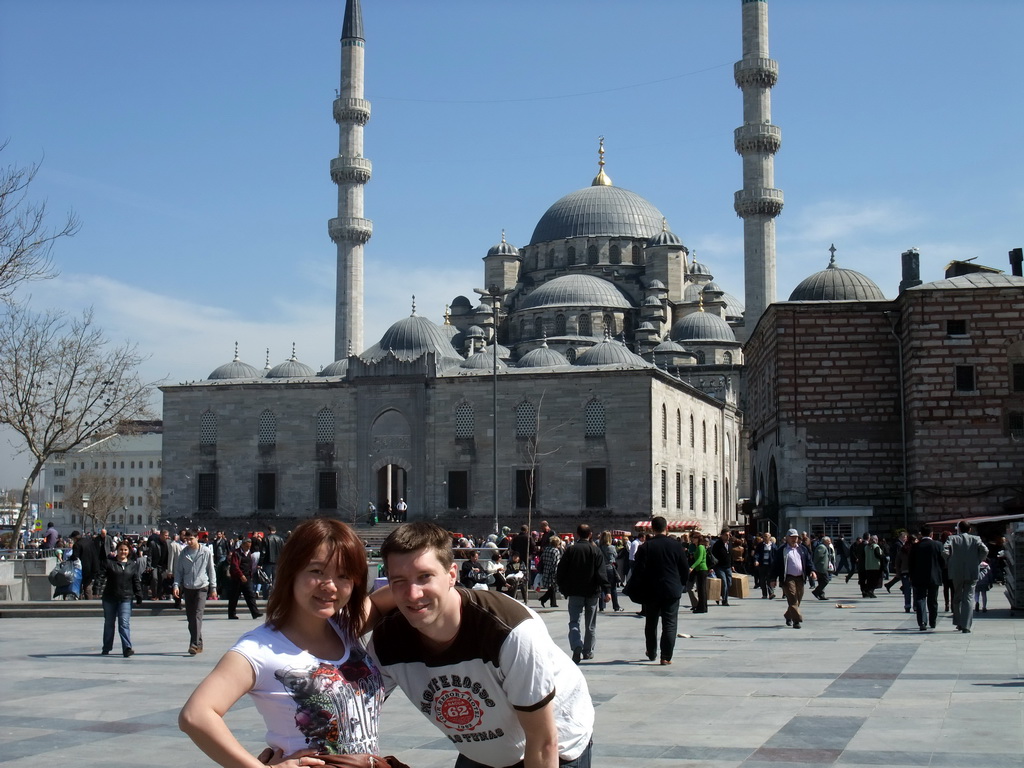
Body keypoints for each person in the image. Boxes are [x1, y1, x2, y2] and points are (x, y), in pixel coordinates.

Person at [370, 521, 595, 768]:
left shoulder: (508, 632)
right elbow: (350, 710)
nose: (413, 594)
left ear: (452, 575)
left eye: (425, 577)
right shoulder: (387, 640)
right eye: (399, 581)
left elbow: (543, 742)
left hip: (556, 745)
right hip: (483, 752)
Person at [179, 518, 397, 767]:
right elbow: (195, 715)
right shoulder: (259, 649)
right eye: (317, 571)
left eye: (343, 575)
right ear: (292, 572)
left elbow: (401, 593)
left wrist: (444, 585)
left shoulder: (345, 626)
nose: (330, 586)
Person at [625, 516, 689, 665]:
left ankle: (652, 652)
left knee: (651, 622)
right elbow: (684, 568)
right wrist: (681, 584)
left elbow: (639, 571)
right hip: (672, 589)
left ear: (652, 529)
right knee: (670, 623)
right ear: (666, 528)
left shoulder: (645, 547)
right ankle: (666, 656)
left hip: (652, 590)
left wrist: (636, 588)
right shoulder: (676, 545)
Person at [556, 524, 610, 664]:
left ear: (577, 534)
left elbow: (561, 570)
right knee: (590, 624)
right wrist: (607, 590)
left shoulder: (571, 550)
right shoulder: (595, 550)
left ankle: (576, 645)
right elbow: (601, 573)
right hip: (592, 592)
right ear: (590, 534)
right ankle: (588, 651)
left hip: (575, 592)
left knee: (574, 621)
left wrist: (563, 588)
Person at [174, 529, 219, 655]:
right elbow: (179, 571)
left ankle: (193, 644)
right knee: (190, 618)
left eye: (191, 539)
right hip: (188, 587)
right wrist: (176, 585)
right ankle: (198, 643)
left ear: (196, 538)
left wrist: (213, 588)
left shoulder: (205, 552)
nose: (188, 542)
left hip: (202, 586)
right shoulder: (184, 553)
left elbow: (211, 570)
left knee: (197, 615)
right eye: (186, 540)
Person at [943, 520, 990, 633]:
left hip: (956, 571)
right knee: (968, 597)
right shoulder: (976, 539)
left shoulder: (952, 539)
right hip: (972, 571)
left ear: (958, 529)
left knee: (957, 596)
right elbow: (985, 550)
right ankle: (966, 625)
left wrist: (949, 561)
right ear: (970, 529)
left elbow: (944, 551)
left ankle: (958, 622)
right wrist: (978, 560)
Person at [101, 541, 142, 657]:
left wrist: (139, 595)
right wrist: (97, 588)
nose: (123, 552)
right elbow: (101, 575)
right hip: (110, 597)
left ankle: (127, 648)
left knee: (124, 623)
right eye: (121, 550)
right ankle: (107, 647)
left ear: (129, 551)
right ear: (117, 551)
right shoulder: (109, 563)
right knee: (109, 623)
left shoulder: (132, 565)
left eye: (125, 550)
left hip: (126, 597)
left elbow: (136, 581)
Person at [772, 529, 816, 629]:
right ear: (787, 538)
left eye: (795, 537)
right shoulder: (782, 550)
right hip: (788, 578)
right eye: (791, 537)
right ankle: (797, 620)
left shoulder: (802, 549)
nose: (794, 539)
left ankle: (788, 615)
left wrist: (812, 571)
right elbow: (775, 565)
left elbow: (809, 561)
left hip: (800, 577)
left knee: (798, 599)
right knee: (792, 598)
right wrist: (773, 579)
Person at [908, 525, 943, 631]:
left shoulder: (915, 546)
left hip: (919, 577)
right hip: (934, 577)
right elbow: (942, 561)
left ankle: (922, 622)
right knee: (933, 600)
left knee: (920, 599)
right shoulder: (938, 545)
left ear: (921, 534)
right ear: (932, 534)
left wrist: (912, 576)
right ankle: (933, 622)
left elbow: (911, 563)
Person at [226, 538, 263, 621]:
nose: (248, 548)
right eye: (246, 546)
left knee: (250, 595)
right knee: (234, 597)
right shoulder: (236, 553)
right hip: (237, 578)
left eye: (249, 547)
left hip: (247, 577)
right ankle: (232, 614)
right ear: (242, 545)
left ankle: (255, 612)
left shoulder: (249, 553)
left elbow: (250, 565)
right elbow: (235, 566)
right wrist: (241, 575)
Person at [597, 531, 623, 613]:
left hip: (601, 569)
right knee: (613, 588)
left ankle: (601, 606)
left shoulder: (599, 547)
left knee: (601, 588)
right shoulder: (611, 547)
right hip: (610, 568)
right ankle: (616, 606)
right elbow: (615, 556)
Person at [687, 533, 710, 614]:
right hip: (700, 569)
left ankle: (702, 607)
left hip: (701, 569)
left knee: (701, 589)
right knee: (701, 589)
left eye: (694, 538)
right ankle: (703, 607)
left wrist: (692, 567)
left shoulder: (700, 547)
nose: (693, 539)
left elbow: (699, 559)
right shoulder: (698, 547)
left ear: (698, 539)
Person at [710, 530, 733, 606]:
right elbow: (713, 556)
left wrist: (732, 565)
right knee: (724, 583)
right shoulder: (717, 544)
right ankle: (725, 600)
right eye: (726, 535)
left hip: (728, 566)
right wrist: (712, 566)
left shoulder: (729, 544)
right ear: (722, 535)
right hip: (719, 567)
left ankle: (719, 595)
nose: (728, 536)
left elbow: (731, 555)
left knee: (729, 583)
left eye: (729, 535)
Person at [538, 535, 562, 608]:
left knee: (551, 587)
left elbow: (542, 559)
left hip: (546, 569)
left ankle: (552, 602)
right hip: (552, 570)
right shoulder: (556, 551)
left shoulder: (546, 549)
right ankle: (544, 599)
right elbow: (556, 562)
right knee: (553, 587)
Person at [753, 532, 776, 599]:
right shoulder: (760, 545)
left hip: (770, 565)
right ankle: (764, 594)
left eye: (767, 536)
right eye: (765, 536)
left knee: (769, 580)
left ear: (770, 537)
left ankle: (771, 593)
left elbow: (775, 555)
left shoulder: (773, 546)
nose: (766, 538)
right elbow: (757, 554)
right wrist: (756, 560)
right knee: (762, 580)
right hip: (762, 565)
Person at [810, 536, 833, 601]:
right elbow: (817, 557)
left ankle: (821, 595)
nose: (830, 542)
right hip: (821, 567)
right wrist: (815, 566)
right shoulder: (821, 547)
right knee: (826, 580)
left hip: (822, 567)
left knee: (821, 581)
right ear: (825, 541)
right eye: (828, 541)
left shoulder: (825, 547)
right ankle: (816, 591)